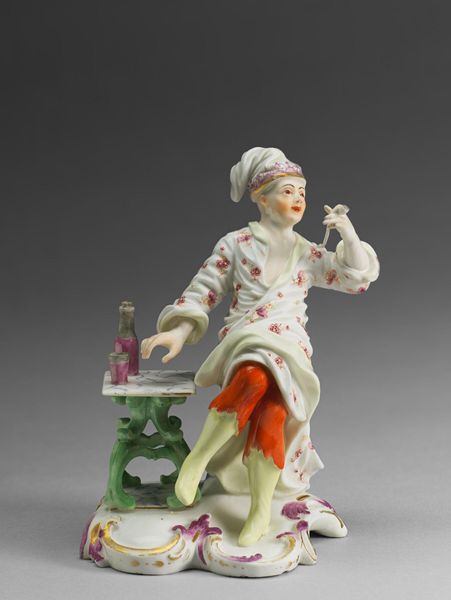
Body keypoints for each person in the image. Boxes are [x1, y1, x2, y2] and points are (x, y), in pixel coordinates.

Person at [141, 147, 380, 546]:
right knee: (254, 375)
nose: (298, 199)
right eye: (288, 191)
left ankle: (259, 509)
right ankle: (197, 460)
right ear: (262, 198)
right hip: (246, 338)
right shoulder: (236, 244)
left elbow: (355, 278)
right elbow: (204, 289)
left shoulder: (306, 252)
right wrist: (179, 331)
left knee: (273, 413)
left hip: (290, 345)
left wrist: (348, 233)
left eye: (302, 192)